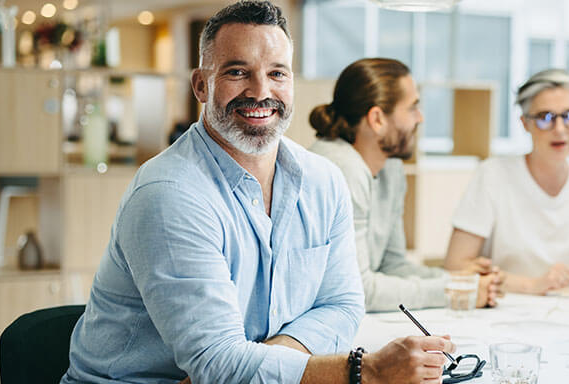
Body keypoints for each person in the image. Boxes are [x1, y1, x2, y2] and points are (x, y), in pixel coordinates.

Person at [60, 2, 454, 383]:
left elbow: (343, 304)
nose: (261, 91)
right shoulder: (170, 195)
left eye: (277, 73)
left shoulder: (324, 181)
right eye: (237, 72)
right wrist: (365, 371)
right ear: (201, 85)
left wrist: (259, 362)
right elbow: (219, 367)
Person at [308, 58, 502, 312]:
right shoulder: (341, 169)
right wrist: (451, 291)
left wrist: (460, 282)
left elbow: (392, 265)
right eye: (412, 108)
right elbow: (359, 289)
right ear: (377, 119)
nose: (420, 118)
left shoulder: (390, 166)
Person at [444, 68, 569, 298]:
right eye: (545, 118)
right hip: (502, 308)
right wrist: (532, 285)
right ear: (525, 123)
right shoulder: (493, 175)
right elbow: (455, 266)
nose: (559, 129)